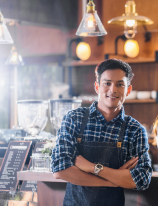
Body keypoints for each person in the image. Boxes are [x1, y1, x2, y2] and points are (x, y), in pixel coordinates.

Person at [51, 59, 152, 206]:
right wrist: (113, 181)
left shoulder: (134, 130)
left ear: (128, 90)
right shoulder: (74, 119)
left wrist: (93, 168)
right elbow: (60, 169)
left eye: (120, 84)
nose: (113, 90)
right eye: (107, 83)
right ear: (97, 87)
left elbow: (142, 180)